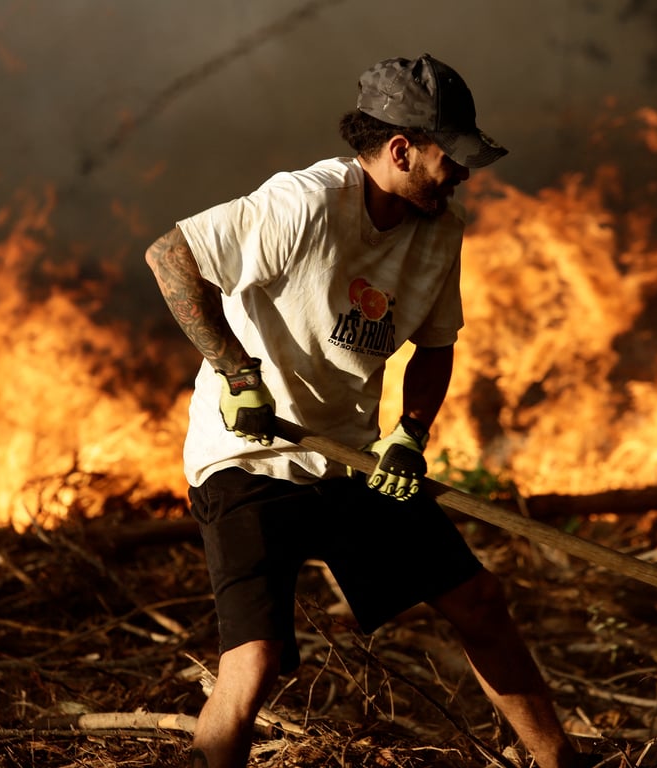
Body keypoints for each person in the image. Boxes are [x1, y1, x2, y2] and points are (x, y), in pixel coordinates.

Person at [145, 53, 600, 768]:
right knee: (254, 662)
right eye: (453, 158)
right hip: (246, 457)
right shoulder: (303, 204)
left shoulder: (439, 230)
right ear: (401, 149)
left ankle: (560, 763)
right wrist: (237, 373)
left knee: (479, 602)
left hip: (350, 455)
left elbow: (435, 347)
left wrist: (409, 434)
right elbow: (171, 256)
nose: (463, 174)